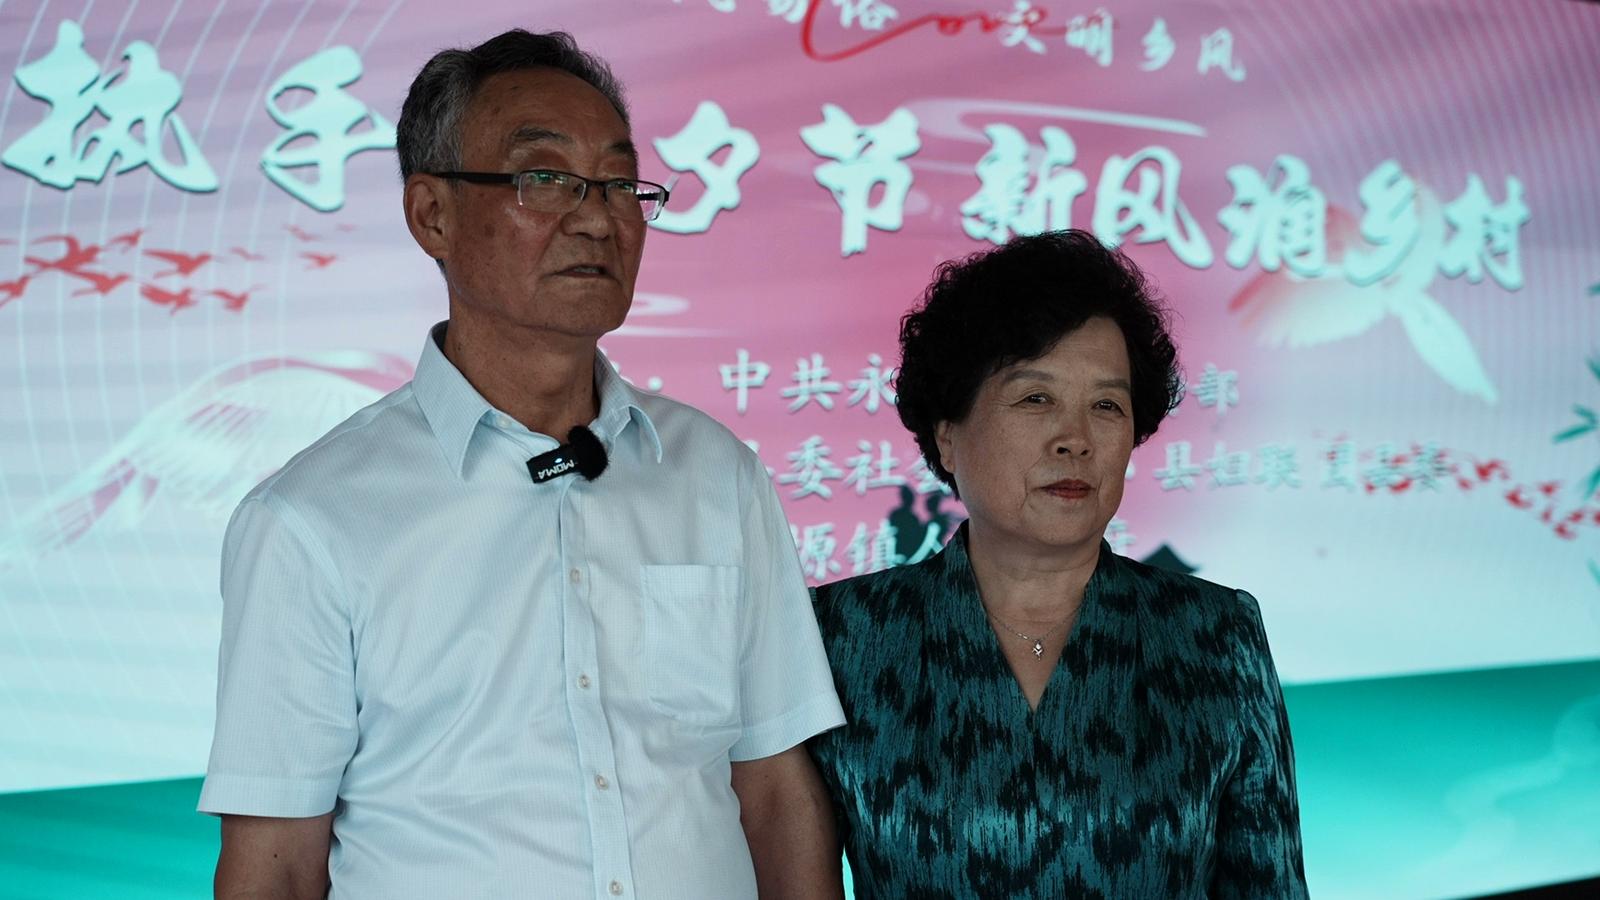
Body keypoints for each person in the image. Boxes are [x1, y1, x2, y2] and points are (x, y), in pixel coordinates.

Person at [199, 30, 845, 899]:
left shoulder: (716, 474)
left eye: (618, 183)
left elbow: (774, 792)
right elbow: (274, 864)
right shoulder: (311, 520)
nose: (598, 217)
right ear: (432, 214)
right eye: (544, 177)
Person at [807, 230, 1308, 898]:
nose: (1075, 439)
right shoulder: (844, 634)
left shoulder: (1215, 635)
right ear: (948, 434)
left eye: (1106, 405)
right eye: (1035, 398)